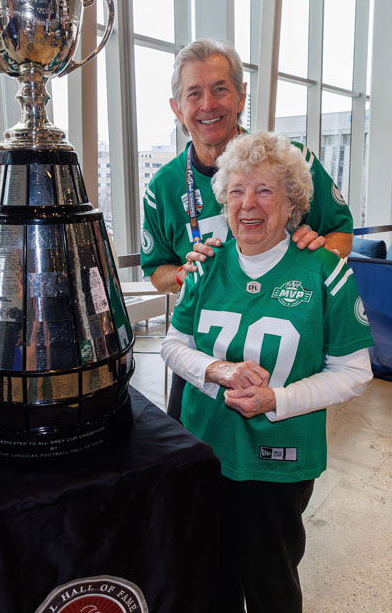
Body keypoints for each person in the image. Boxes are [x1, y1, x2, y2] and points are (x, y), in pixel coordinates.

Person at [161, 131, 373, 613]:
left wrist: (277, 399)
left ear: (291, 201)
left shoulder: (323, 269)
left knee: (271, 585)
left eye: (264, 190)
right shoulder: (204, 264)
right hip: (205, 452)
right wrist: (216, 369)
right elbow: (174, 345)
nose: (248, 203)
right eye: (236, 190)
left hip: (278, 461)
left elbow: (354, 372)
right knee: (209, 579)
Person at [141, 38, 354, 418]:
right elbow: (156, 270)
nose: (208, 104)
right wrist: (188, 275)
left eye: (220, 89)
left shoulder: (294, 162)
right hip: (202, 355)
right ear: (177, 109)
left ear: (241, 96)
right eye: (194, 93)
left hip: (278, 358)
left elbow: (340, 233)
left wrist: (317, 255)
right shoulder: (163, 187)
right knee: (190, 461)